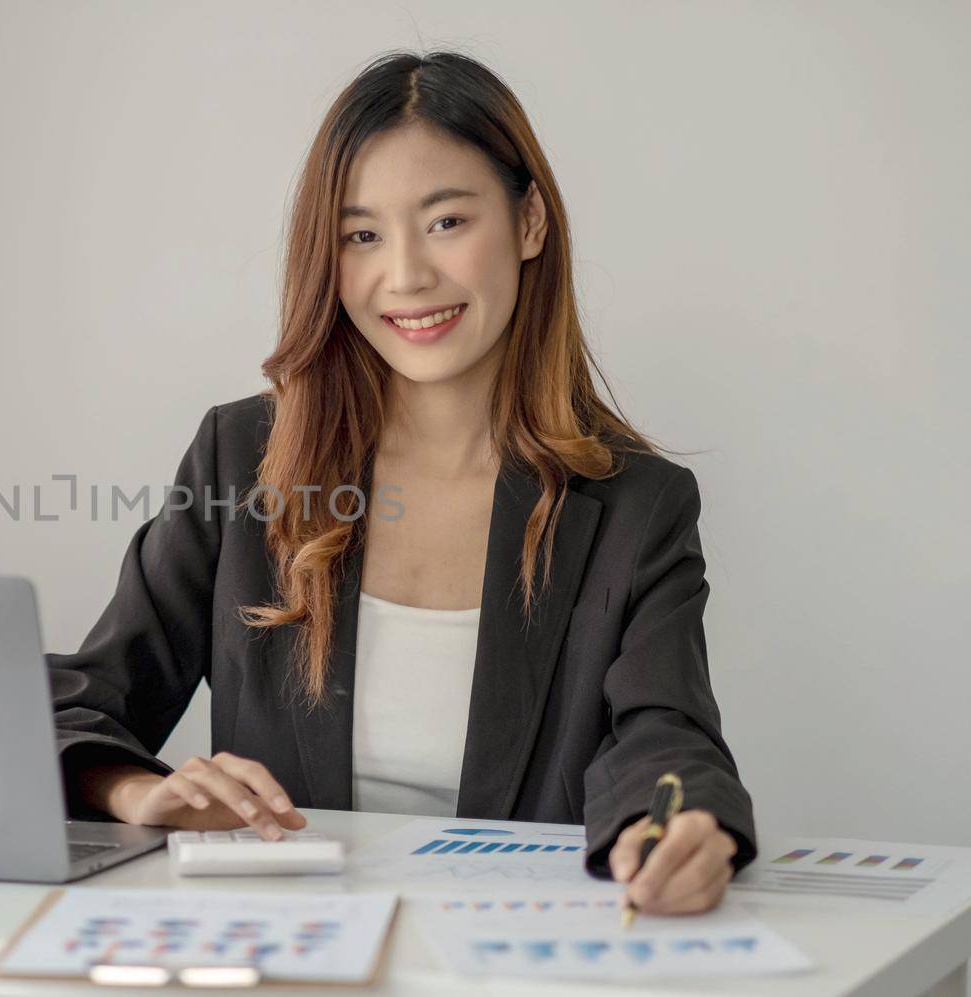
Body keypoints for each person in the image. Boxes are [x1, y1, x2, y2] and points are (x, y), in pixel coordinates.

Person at [46, 50, 755, 916]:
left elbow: (666, 734)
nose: (408, 275)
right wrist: (135, 793)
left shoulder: (636, 504)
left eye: (448, 221)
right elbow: (80, 700)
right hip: (294, 954)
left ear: (530, 222)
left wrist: (673, 826)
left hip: (510, 960)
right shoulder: (244, 459)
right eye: (362, 235)